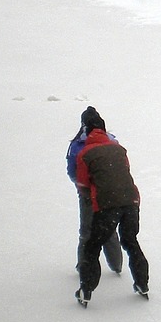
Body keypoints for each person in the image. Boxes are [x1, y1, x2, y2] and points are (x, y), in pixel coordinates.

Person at [74, 113, 150, 307]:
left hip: (107, 205)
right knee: (130, 241)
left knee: (92, 246)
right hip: (131, 201)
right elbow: (124, 171)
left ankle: (86, 290)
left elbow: (82, 182)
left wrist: (92, 194)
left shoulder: (85, 153)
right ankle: (142, 283)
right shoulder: (119, 149)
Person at [67, 107, 123, 276]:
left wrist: (83, 185)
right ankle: (116, 265)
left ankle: (83, 266)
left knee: (86, 232)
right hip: (109, 192)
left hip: (87, 195)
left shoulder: (77, 145)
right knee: (110, 230)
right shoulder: (112, 141)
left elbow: (72, 171)